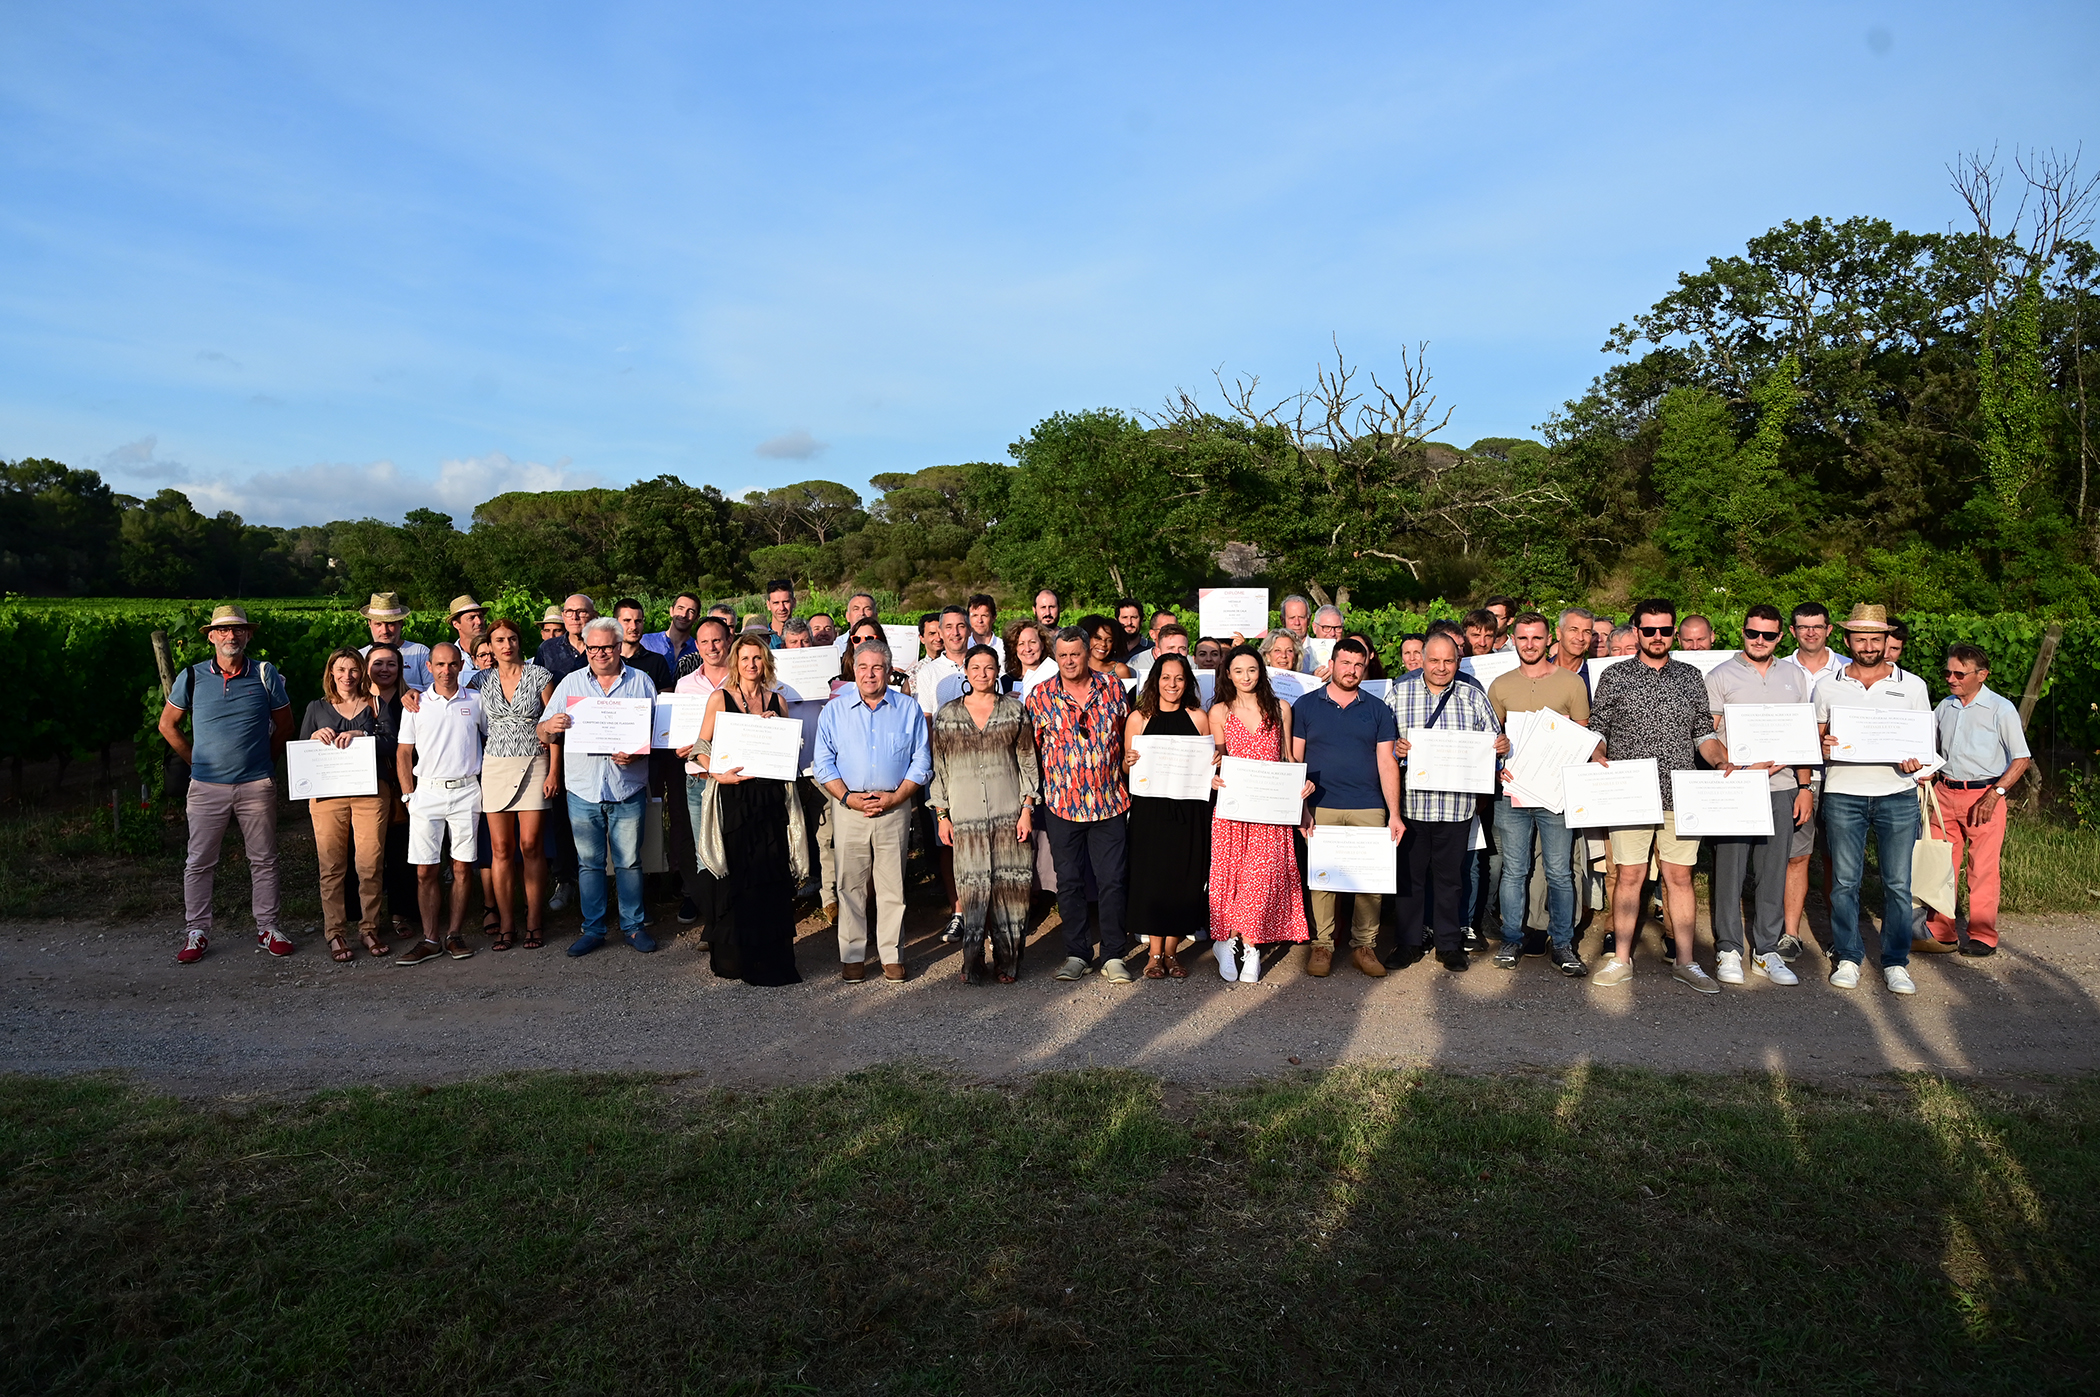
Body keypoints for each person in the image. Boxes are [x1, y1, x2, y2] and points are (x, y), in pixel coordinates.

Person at [1586, 600, 1721, 992]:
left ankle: (1686, 961)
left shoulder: (1691, 677)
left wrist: (1722, 763)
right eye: (1650, 630)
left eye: (1665, 630)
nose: (1657, 637)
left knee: (1679, 877)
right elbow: (1598, 730)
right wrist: (1595, 752)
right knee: (1629, 876)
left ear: (1673, 632)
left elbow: (1704, 735)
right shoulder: (1614, 676)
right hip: (1630, 795)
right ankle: (1621, 958)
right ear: (1638, 630)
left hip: (1680, 793)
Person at [159, 605, 294, 964]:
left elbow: (284, 727)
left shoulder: (265, 674)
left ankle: (267, 927)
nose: (231, 636)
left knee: (264, 858)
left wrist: (264, 763)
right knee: (199, 861)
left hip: (255, 785)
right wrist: (195, 761)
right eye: (224, 631)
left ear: (248, 635)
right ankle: (197, 931)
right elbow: (167, 725)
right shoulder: (192, 676)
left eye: (238, 630)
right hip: (206, 787)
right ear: (211, 636)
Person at [1816, 605, 1932, 994]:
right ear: (1847, 641)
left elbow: (1922, 744)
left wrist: (1917, 759)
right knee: (1845, 883)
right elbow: (1814, 738)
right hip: (1844, 793)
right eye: (1860, 639)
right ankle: (1848, 956)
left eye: (1876, 639)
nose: (1868, 646)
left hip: (1896, 793)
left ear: (1887, 642)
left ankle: (1896, 960)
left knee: (1898, 884)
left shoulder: (1912, 685)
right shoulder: (1827, 685)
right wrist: (1823, 746)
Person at [1696, 605, 1813, 987]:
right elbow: (1706, 733)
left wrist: (1804, 787)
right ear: (1743, 633)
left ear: (1781, 637)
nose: (1759, 641)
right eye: (1752, 634)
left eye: (1768, 635)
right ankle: (1728, 948)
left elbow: (1803, 736)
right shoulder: (1719, 676)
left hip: (1782, 789)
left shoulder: (1795, 676)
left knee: (1773, 871)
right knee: (1729, 870)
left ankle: (1766, 951)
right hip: (1738, 785)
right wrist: (1733, 766)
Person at [538, 616, 659, 957]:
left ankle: (633, 927)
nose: (600, 653)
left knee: (629, 861)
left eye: (607, 647)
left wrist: (637, 754)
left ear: (619, 646)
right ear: (586, 649)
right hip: (583, 787)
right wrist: (550, 724)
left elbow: (655, 733)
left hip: (626, 785)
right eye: (593, 648)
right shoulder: (571, 684)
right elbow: (543, 732)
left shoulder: (642, 682)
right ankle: (593, 928)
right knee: (589, 864)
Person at [816, 640, 933, 983]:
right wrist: (848, 797)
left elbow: (921, 760)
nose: (870, 674)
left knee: (891, 885)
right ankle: (852, 955)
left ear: (888, 670)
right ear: (853, 669)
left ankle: (891, 954)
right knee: (850, 886)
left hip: (894, 809)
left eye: (877, 667)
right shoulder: (834, 711)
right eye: (863, 667)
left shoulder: (907, 709)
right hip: (849, 809)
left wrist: (897, 797)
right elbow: (823, 763)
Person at [693, 633, 805, 985]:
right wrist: (717, 774)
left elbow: (791, 752)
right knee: (740, 875)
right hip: (735, 796)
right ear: (735, 662)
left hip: (771, 799)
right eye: (745, 659)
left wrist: (778, 730)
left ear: (766, 662)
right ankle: (737, 959)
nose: (752, 665)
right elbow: (700, 746)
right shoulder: (719, 698)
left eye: (757, 659)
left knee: (772, 876)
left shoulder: (778, 700)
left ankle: (773, 960)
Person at [1027, 626, 1136, 983]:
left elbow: (1128, 734)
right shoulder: (1040, 696)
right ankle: (1076, 953)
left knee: (1113, 880)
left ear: (1088, 652)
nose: (1070, 661)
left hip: (1109, 801)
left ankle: (1115, 954)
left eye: (1076, 654)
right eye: (1063, 655)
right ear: (1055, 657)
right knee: (1069, 882)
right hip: (1062, 804)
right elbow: (1033, 751)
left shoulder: (1114, 688)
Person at [1387, 634, 1502, 971]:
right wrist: (1396, 747)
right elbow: (1382, 744)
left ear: (1458, 662)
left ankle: (1448, 944)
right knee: (1409, 876)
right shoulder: (1399, 693)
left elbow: (1493, 743)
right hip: (1411, 805)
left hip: (1456, 806)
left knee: (1451, 878)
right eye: (1434, 660)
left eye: (1448, 661)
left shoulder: (1473, 696)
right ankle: (1408, 942)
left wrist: (1500, 748)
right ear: (1421, 660)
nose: (1441, 668)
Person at [1288, 638, 1401, 977]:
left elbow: (1387, 762)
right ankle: (1322, 946)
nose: (1351, 671)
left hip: (1368, 805)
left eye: (1358, 665)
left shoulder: (1379, 710)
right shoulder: (1305, 706)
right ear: (1333, 663)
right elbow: (1295, 758)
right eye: (1345, 663)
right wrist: (1302, 808)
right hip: (1321, 805)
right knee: (1322, 879)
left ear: (1365, 667)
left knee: (1370, 880)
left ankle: (1364, 946)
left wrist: (1394, 813)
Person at [1485, 614, 1589, 977]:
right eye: (1523, 638)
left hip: (1554, 794)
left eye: (1537, 638)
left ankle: (1562, 943)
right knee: (1515, 870)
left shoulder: (1572, 683)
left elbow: (1582, 737)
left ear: (1550, 641)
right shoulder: (1499, 685)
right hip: (1511, 792)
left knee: (1559, 871)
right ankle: (1512, 937)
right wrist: (1497, 753)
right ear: (1513, 639)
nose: (1530, 644)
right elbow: (1492, 737)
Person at [929, 645, 1040, 983]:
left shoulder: (1014, 711)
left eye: (988, 667)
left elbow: (1026, 762)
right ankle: (973, 962)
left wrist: (1026, 809)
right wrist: (942, 814)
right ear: (966, 671)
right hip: (965, 818)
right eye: (975, 667)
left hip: (1009, 814)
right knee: (973, 889)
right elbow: (940, 767)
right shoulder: (947, 715)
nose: (981, 673)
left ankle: (1008, 961)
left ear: (997, 671)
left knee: (1011, 888)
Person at [1207, 644, 1311, 981]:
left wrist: (1303, 798)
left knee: (1261, 879)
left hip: (1270, 812)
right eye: (1238, 671)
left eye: (1251, 670)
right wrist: (1212, 777)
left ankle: (1251, 945)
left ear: (1260, 671)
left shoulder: (1280, 708)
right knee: (1232, 877)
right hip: (1234, 811)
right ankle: (1226, 940)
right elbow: (1216, 759)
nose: (1246, 677)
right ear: (1228, 675)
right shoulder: (1220, 712)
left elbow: (1288, 760)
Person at [1924, 642, 2033, 957]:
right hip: (1944, 793)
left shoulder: (2001, 709)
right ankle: (1940, 931)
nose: (1950, 678)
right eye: (1947, 671)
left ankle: (1983, 935)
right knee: (1941, 865)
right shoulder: (1944, 706)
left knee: (1982, 868)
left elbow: (2021, 758)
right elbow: (1930, 749)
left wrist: (1996, 793)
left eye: (1959, 673)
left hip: (1984, 796)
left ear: (1981, 675)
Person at [393, 641, 485, 966]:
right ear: (429, 667)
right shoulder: (415, 704)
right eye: (440, 665)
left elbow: (489, 738)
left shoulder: (476, 700)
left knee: (462, 867)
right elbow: (404, 752)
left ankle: (454, 934)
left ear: (462, 666)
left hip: (466, 791)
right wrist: (408, 795)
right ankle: (430, 938)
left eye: (453, 664)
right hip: (426, 793)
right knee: (424, 870)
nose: (447, 671)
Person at [298, 648, 391, 961]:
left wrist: (361, 733)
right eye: (341, 670)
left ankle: (369, 928)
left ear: (361, 672)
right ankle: (335, 933)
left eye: (353, 670)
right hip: (327, 795)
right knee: (332, 865)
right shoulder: (316, 707)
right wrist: (314, 738)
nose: (347, 676)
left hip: (370, 793)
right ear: (331, 673)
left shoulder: (376, 704)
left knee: (370, 864)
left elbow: (392, 742)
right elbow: (299, 749)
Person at [1122, 653, 1211, 978]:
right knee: (1152, 879)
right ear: (1155, 681)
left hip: (1189, 810)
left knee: (1184, 878)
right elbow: (1124, 768)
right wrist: (1128, 761)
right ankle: (1153, 954)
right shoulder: (1139, 718)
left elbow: (1208, 764)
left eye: (1179, 678)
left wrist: (1213, 759)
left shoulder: (1198, 717)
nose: (1172, 684)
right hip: (1150, 811)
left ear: (1187, 682)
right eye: (1166, 678)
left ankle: (1172, 953)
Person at [477, 617, 557, 951]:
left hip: (534, 764)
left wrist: (554, 771)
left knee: (530, 845)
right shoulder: (480, 680)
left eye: (511, 639)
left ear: (519, 641)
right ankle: (507, 923)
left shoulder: (541, 676)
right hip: (495, 765)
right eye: (499, 640)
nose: (506, 645)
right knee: (500, 849)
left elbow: (553, 726)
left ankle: (534, 922)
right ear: (490, 647)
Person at [1779, 601, 1849, 958]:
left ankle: (1840, 934)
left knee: (1838, 859)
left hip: (1840, 775)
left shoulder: (1849, 671)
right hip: (1793, 776)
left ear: (1829, 630)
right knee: (1797, 855)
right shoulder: (1778, 670)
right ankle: (1791, 933)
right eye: (1803, 627)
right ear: (1792, 631)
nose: (1811, 633)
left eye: (1817, 627)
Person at [673, 615, 737, 926]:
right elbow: (677, 731)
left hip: (734, 780)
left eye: (717, 640)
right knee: (704, 853)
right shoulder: (685, 685)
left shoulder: (742, 680)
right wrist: (678, 745)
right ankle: (714, 924)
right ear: (696, 646)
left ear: (728, 641)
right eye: (705, 642)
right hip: (698, 780)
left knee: (735, 850)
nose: (712, 647)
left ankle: (734, 919)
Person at [359, 591, 432, 690]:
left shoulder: (420, 653)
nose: (384, 631)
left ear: (400, 623)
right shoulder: (360, 656)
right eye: (378, 624)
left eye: (390, 624)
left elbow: (433, 691)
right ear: (369, 624)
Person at [613, 598, 674, 692]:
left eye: (638, 621)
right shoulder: (606, 659)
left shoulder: (656, 662)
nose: (633, 627)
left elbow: (665, 700)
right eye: (627, 620)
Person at [536, 594, 596, 680]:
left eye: (581, 612)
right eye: (569, 612)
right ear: (563, 616)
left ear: (594, 616)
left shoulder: (605, 649)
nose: (574, 617)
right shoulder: (547, 648)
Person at [643, 592, 702, 671]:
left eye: (691, 611)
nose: (684, 615)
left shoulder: (699, 650)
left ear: (697, 618)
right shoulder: (646, 642)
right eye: (680, 608)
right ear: (671, 611)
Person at [1001, 620, 1056, 695]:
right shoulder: (1005, 682)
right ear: (1014, 648)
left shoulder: (1056, 677)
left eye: (1032, 642)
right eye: (1021, 644)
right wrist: (1005, 701)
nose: (1027, 649)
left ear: (1042, 645)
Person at [1078, 614, 1135, 680]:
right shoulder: (1076, 668)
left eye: (1109, 640)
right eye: (1098, 638)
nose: (1103, 644)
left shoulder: (1120, 670)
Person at [447, 596, 491, 681]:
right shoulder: (450, 656)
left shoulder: (497, 651)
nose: (479, 622)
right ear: (456, 624)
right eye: (472, 618)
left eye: (480, 616)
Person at [1301, 605, 1347, 677]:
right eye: (1326, 627)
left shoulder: (1348, 656)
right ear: (1315, 628)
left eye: (1337, 628)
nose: (1332, 633)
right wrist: (1313, 679)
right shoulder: (1304, 657)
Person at [764, 579, 795, 647]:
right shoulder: (762, 638)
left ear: (794, 602)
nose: (782, 608)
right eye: (776, 603)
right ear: (768, 605)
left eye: (785, 602)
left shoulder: (805, 636)